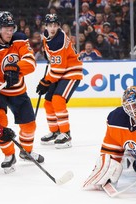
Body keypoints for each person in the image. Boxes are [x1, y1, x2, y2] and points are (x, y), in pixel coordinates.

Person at [0, 11, 44, 174]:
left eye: (11, 28)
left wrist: (16, 68)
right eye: (5, 28)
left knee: (29, 125)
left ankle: (26, 152)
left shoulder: (20, 39)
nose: (9, 32)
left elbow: (30, 61)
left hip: (18, 91)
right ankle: (9, 155)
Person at [36, 14, 83, 149]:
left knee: (58, 99)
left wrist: (46, 81)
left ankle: (66, 134)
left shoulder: (59, 41)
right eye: (50, 25)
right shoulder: (47, 35)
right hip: (60, 71)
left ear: (58, 26)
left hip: (71, 72)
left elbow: (59, 70)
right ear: (45, 26)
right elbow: (50, 53)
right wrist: (48, 55)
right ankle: (55, 131)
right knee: (48, 102)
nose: (52, 28)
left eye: (55, 25)